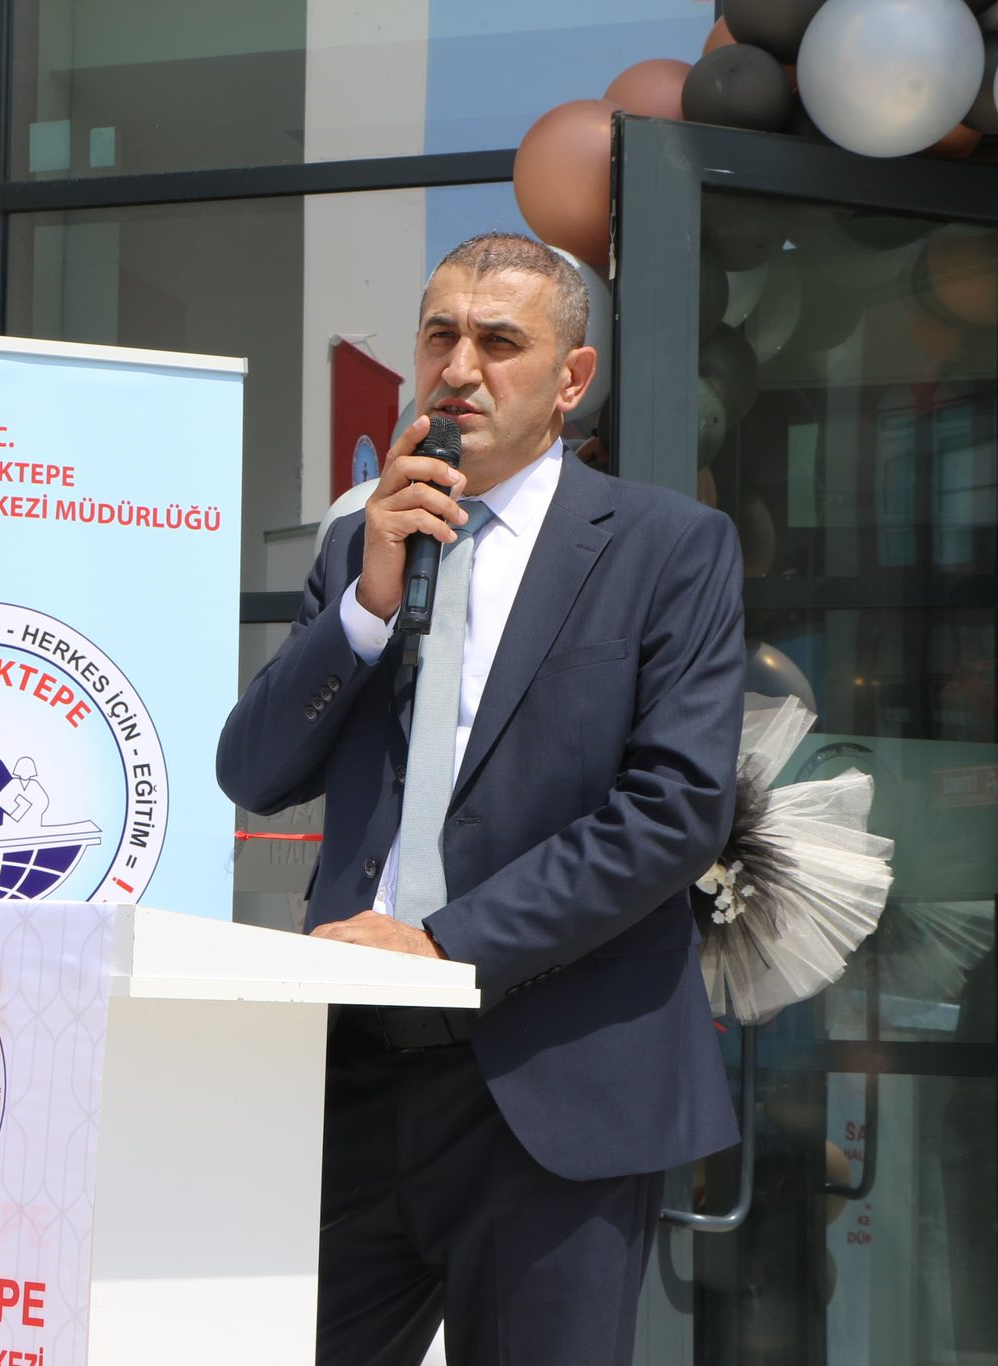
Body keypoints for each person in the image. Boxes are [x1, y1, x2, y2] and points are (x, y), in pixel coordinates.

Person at [218, 232, 745, 1366]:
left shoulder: (667, 548)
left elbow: (674, 808)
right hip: (351, 1074)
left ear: (570, 378)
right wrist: (364, 605)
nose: (459, 368)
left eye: (499, 341)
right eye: (440, 335)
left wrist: (443, 942)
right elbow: (252, 772)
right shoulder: (359, 542)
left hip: (555, 1080)